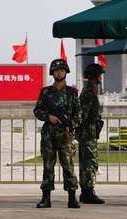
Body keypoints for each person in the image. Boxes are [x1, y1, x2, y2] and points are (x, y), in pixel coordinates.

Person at [34, 59, 81, 208]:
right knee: (48, 166)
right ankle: (46, 198)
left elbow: (78, 114)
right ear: (52, 73)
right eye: (56, 70)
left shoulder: (72, 93)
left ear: (66, 72)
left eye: (61, 70)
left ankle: (72, 198)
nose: (59, 72)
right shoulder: (45, 92)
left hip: (65, 135)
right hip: (49, 134)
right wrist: (48, 117)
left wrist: (71, 126)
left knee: (68, 166)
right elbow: (37, 110)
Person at [78, 64, 105, 204]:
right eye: (100, 74)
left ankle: (86, 192)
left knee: (87, 163)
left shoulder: (91, 90)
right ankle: (88, 192)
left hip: (89, 132)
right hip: (88, 133)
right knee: (90, 163)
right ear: (95, 76)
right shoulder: (89, 92)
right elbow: (82, 115)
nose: (101, 77)